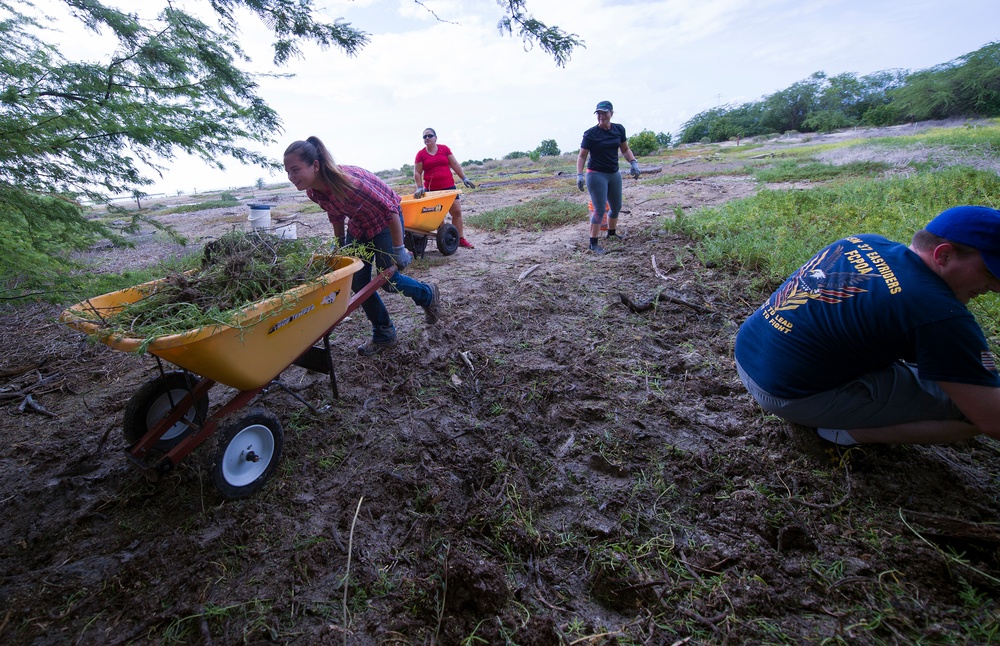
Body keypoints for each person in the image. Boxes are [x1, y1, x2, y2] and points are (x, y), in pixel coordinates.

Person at [734, 205, 1000, 446]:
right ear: (944, 255)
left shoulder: (866, 242)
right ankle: (843, 433)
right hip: (789, 394)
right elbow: (993, 420)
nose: (995, 288)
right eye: (990, 272)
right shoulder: (937, 311)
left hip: (748, 352)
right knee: (971, 412)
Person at [284, 137, 441, 356]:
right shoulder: (313, 191)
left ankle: (427, 294)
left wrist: (399, 249)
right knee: (357, 280)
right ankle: (384, 334)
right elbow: (336, 215)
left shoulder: (349, 184)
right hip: (360, 224)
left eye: (295, 170)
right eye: (287, 172)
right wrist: (341, 248)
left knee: (389, 280)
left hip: (385, 222)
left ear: (315, 166)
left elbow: (391, 212)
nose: (291, 177)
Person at [576, 100, 641, 255]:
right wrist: (579, 175)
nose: (601, 116)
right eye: (598, 113)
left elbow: (625, 149)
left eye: (604, 113)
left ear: (611, 113)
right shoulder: (590, 134)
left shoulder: (618, 129)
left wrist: (633, 162)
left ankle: (611, 233)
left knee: (616, 206)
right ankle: (593, 243)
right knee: (599, 210)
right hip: (596, 174)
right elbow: (582, 157)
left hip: (613, 174)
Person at [414, 128, 477, 249]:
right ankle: (445, 239)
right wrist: (419, 187)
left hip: (449, 188)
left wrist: (464, 178)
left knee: (457, 212)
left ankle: (460, 239)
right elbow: (417, 172)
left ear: (435, 138)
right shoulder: (421, 154)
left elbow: (454, 164)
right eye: (424, 137)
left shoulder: (444, 149)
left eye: (430, 135)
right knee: (438, 216)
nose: (427, 138)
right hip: (432, 191)